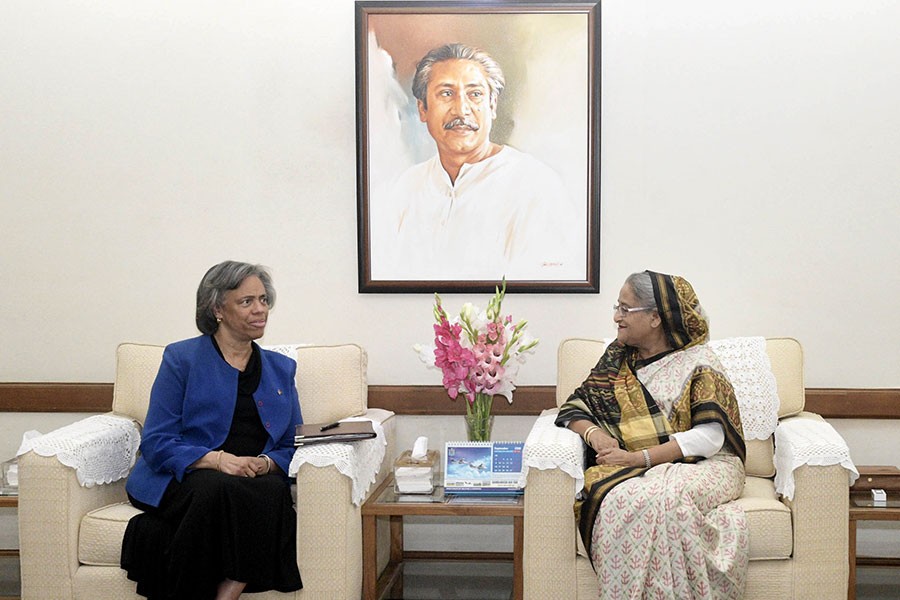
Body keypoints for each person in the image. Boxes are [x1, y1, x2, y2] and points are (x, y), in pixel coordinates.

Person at [555, 270, 748, 599]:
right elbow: (576, 405)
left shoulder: (699, 362)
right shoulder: (618, 358)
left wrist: (638, 458)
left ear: (655, 317)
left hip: (708, 464)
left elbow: (710, 438)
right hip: (635, 465)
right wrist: (594, 435)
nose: (617, 317)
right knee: (619, 500)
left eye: (625, 309)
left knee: (664, 501)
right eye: (617, 307)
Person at [121, 261, 303, 600]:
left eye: (263, 300)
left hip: (252, 478)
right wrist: (218, 460)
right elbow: (157, 441)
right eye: (246, 301)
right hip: (187, 475)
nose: (260, 309)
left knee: (272, 491)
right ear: (217, 309)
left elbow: (293, 443)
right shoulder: (181, 359)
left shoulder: (281, 369)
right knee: (219, 489)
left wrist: (264, 463)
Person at [383, 42, 581, 281]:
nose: (461, 110)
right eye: (446, 94)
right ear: (423, 109)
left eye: (475, 94)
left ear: (492, 106)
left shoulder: (536, 186)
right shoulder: (407, 188)